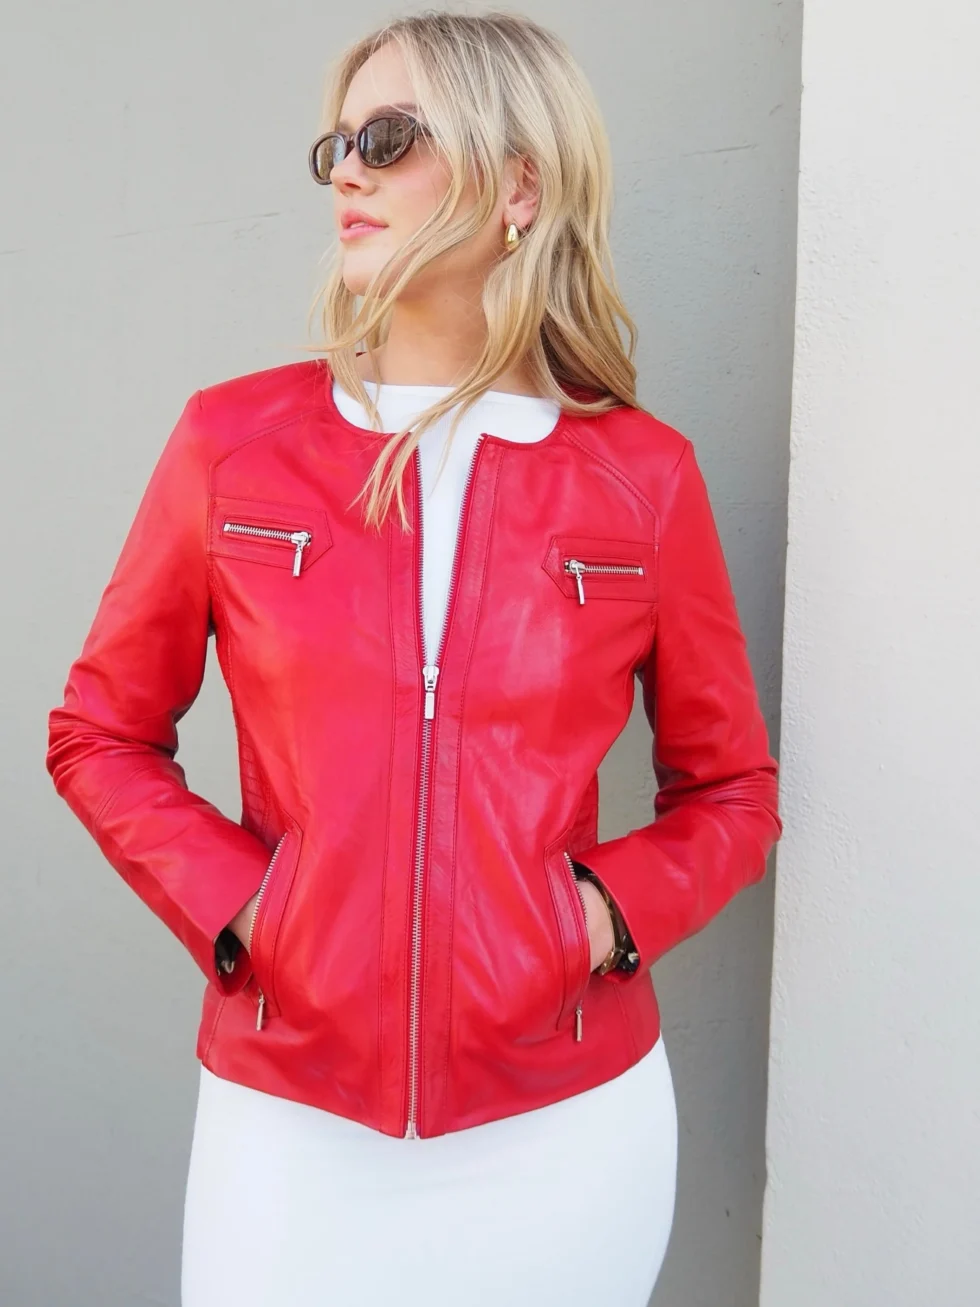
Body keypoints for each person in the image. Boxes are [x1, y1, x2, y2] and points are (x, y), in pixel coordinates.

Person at [45, 10, 782, 1306]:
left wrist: (598, 917)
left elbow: (732, 792)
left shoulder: (640, 479)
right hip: (291, 1121)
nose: (347, 171)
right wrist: (250, 907)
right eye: (335, 145)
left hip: (566, 1124)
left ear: (519, 184)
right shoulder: (235, 446)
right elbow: (99, 733)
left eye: (388, 139)